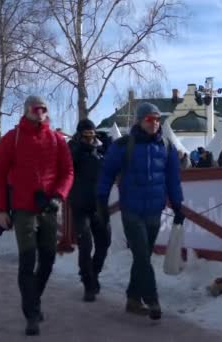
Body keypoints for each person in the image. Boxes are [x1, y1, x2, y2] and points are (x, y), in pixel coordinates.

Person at [0, 95, 74, 336]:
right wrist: (0, 209)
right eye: (36, 108)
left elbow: (68, 171)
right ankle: (31, 314)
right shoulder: (12, 138)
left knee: (47, 259)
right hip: (22, 208)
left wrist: (59, 195)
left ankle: (33, 298)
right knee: (28, 259)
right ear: (27, 110)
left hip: (48, 207)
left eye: (44, 109)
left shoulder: (57, 140)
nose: (40, 112)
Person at [97, 102, 184, 321]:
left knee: (142, 256)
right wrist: (101, 200)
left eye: (157, 119)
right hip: (131, 209)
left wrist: (178, 205)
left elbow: (173, 179)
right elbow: (106, 173)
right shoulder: (123, 145)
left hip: (154, 210)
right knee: (142, 256)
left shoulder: (167, 146)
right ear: (139, 120)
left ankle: (133, 300)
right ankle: (152, 298)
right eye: (149, 119)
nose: (154, 123)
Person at [68, 119, 111, 303]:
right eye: (85, 136)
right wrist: (80, 149)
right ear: (79, 135)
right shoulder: (72, 148)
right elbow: (67, 165)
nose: (89, 139)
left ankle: (93, 273)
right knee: (86, 245)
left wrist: (107, 145)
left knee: (104, 242)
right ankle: (88, 284)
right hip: (80, 204)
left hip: (99, 204)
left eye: (91, 135)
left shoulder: (101, 147)